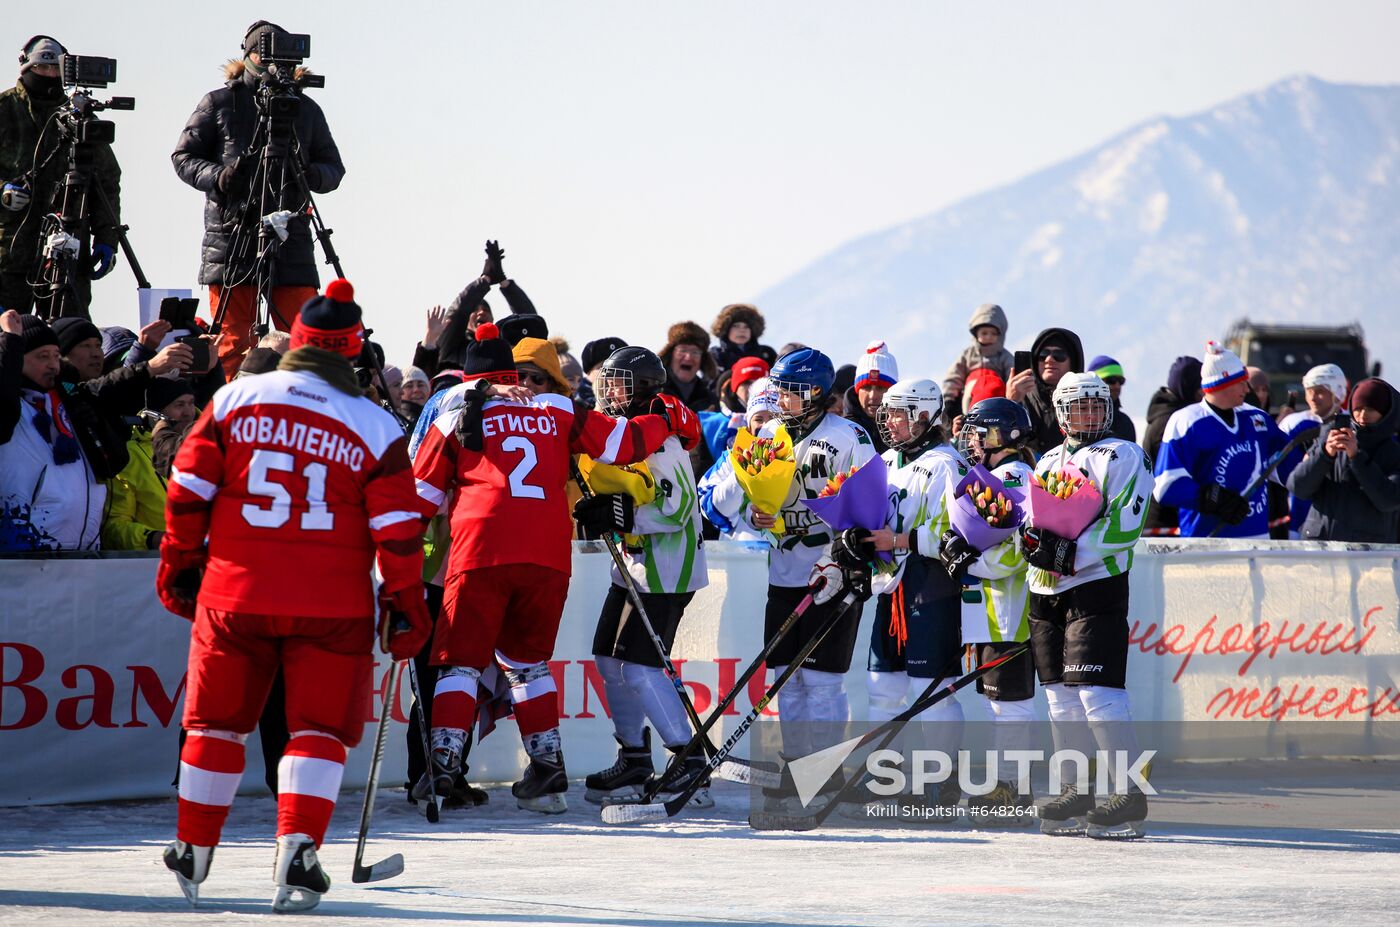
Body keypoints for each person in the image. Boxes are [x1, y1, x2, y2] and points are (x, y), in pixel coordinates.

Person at [157, 279, 433, 912]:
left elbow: (187, 487)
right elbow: (397, 530)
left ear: (297, 341)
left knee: (217, 722)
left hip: (235, 592)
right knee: (316, 729)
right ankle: (299, 851)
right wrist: (405, 605)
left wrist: (181, 562)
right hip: (331, 605)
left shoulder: (235, 397)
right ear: (353, 349)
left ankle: (193, 846)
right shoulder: (373, 421)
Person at [411, 324, 698, 814]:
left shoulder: (455, 410)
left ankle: (442, 770)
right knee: (527, 664)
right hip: (547, 553)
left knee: (460, 662)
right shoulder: (560, 406)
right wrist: (665, 418)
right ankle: (547, 771)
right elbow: (626, 444)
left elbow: (420, 499)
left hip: (479, 551)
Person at [723, 348, 876, 788]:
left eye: (790, 391)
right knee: (786, 679)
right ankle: (795, 766)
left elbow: (870, 505)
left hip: (831, 570)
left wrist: (847, 556)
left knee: (823, 681)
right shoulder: (769, 431)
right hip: (784, 569)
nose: (780, 398)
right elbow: (757, 501)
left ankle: (824, 770)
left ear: (814, 392)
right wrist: (757, 515)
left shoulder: (848, 434)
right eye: (779, 389)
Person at [171, 21, 346, 378]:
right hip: (232, 236)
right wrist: (220, 177)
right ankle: (236, 416)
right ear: (248, 55)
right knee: (235, 343)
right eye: (266, 55)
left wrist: (308, 174)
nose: (276, 66)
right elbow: (183, 158)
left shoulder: (306, 109)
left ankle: (297, 412)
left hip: (291, 235)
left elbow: (334, 168)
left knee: (303, 341)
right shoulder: (220, 102)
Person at [1022, 372, 1151, 838]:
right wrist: (1031, 540)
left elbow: (1126, 524)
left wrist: (1073, 552)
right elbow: (1033, 517)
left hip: (1096, 585)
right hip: (1045, 589)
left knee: (1100, 693)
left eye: (1097, 406)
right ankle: (1075, 789)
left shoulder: (1123, 453)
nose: (1090, 415)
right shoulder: (1048, 460)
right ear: (1060, 414)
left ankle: (1129, 793)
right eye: (1079, 407)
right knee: (1059, 697)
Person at [583, 347, 710, 807]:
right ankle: (635, 756)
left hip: (666, 571)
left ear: (642, 389)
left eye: (619, 384)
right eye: (607, 383)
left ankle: (689, 757)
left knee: (639, 665)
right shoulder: (622, 434)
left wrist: (619, 515)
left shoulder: (662, 440)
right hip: (633, 569)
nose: (609, 392)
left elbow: (674, 510)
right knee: (606, 659)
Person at [859, 378, 968, 808]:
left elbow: (958, 533)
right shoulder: (884, 459)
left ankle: (939, 780)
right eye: (887, 413)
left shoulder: (945, 463)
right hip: (889, 587)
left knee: (932, 690)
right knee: (882, 687)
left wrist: (900, 541)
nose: (889, 421)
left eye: (898, 413)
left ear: (924, 416)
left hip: (930, 585)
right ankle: (882, 777)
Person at [951, 397, 1037, 822]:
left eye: (979, 432)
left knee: (1010, 705)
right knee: (995, 703)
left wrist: (972, 561)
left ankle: (1014, 788)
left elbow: (1019, 549)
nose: (972, 440)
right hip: (992, 609)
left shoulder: (1015, 474)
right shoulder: (993, 473)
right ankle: (1007, 782)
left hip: (1012, 608)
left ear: (1004, 435)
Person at [1, 35, 122, 317]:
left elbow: (106, 183)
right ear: (26, 68)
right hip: (9, 252)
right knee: (7, 337)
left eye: (56, 69)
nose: (49, 75)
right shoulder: (5, 110)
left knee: (69, 336)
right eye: (42, 69)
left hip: (67, 246)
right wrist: (3, 192)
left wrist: (107, 238)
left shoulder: (79, 118)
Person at [1153, 342, 1291, 539]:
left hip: (1256, 543)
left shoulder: (1257, 418)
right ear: (1223, 383)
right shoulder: (1186, 421)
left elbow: (1289, 465)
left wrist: (1321, 456)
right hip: (1206, 546)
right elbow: (1165, 486)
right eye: (1241, 381)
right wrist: (1210, 497)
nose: (1247, 387)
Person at [0, 312, 105, 550]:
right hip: (22, 560)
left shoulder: (62, 403)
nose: (53, 365)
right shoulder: (13, 407)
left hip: (79, 556)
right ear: (17, 358)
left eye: (57, 356)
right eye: (42, 356)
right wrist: (11, 341)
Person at [1287, 378, 1400, 543]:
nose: (1362, 416)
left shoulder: (1393, 453)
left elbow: (1388, 500)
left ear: (1386, 413)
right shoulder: (1329, 438)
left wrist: (1356, 457)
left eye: (1370, 409)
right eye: (1358, 409)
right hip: (1320, 546)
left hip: (1369, 552)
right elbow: (1298, 487)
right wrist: (1324, 455)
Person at [102, 378, 198, 550]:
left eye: (191, 403)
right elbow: (113, 528)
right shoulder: (130, 456)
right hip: (155, 562)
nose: (188, 412)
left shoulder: (207, 445)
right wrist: (153, 538)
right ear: (156, 414)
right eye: (179, 405)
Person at [698, 377, 781, 543]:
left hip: (792, 558)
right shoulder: (732, 457)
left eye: (773, 418)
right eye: (758, 419)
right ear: (749, 423)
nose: (765, 425)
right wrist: (742, 473)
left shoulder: (799, 454)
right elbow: (710, 508)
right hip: (741, 557)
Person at [1278, 363, 1348, 537]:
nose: (1313, 398)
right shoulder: (1293, 424)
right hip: (1301, 520)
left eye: (1319, 391)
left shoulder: (1354, 425)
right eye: (1309, 391)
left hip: (1343, 522)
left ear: (1338, 392)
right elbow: (1286, 476)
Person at [1140, 356, 1202, 536]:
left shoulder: (1169, 417)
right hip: (1162, 523)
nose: (1203, 395)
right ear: (1188, 387)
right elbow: (1169, 475)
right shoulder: (1170, 423)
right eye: (1200, 388)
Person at [1007, 327, 1084, 456]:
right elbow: (1004, 444)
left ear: (1074, 361)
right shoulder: (1022, 397)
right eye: (1043, 355)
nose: (1049, 359)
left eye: (1059, 355)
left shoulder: (1089, 401)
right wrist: (1011, 403)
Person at [942, 303, 1014, 411]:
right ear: (976, 334)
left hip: (997, 396)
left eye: (993, 333)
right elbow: (954, 377)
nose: (989, 337)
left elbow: (1012, 375)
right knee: (972, 385)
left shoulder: (1004, 356)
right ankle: (968, 417)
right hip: (970, 394)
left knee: (993, 383)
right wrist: (949, 399)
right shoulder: (968, 355)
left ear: (1000, 335)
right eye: (984, 333)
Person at [842, 340, 898, 454]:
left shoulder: (906, 432)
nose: (873, 395)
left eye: (881, 388)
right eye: (866, 388)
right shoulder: (843, 430)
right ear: (857, 390)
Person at [659, 321, 719, 414]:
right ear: (671, 354)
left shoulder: (710, 399)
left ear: (702, 359)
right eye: (683, 350)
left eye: (695, 352)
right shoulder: (655, 392)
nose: (688, 357)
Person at [709, 302, 778, 372]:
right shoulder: (715, 356)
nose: (742, 330)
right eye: (736, 326)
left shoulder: (767, 353)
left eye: (746, 327)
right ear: (725, 329)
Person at [1088, 355, 1136, 442]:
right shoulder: (1078, 419)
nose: (1117, 386)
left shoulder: (1125, 423)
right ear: (1094, 383)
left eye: (1121, 381)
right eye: (1112, 380)